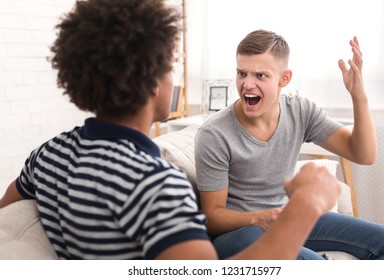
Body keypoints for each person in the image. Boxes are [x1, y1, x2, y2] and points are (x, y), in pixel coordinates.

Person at [0, 0, 342, 260]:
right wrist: (306, 206)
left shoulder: (47, 155)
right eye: (169, 67)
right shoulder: (156, 183)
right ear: (153, 83)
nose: (173, 78)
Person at [195, 29, 384, 260]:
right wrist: (258, 217)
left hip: (284, 217)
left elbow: (363, 154)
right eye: (242, 73)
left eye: (260, 76)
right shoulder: (214, 133)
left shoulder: (300, 111)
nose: (247, 84)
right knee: (311, 264)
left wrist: (358, 95)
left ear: (284, 79)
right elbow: (212, 217)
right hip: (240, 234)